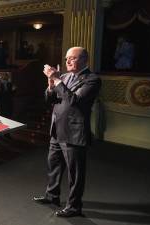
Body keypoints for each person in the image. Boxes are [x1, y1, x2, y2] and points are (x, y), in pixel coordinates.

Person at [33, 47, 101, 217]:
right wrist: (50, 84)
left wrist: (56, 80)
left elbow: (73, 101)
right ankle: (52, 196)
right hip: (57, 130)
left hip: (74, 132)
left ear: (85, 60)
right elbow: (50, 99)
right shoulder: (63, 77)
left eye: (73, 58)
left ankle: (74, 206)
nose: (68, 61)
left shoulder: (92, 80)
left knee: (75, 173)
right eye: (66, 58)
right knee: (54, 165)